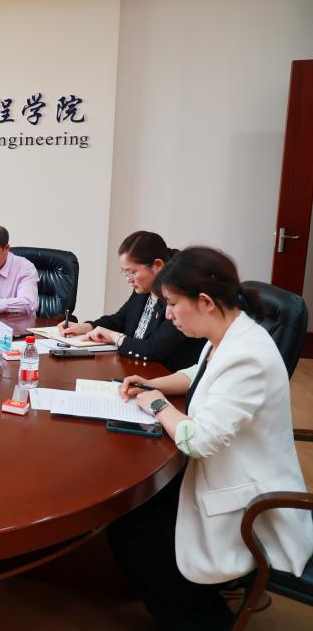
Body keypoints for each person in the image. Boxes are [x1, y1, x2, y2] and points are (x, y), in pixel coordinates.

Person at [109, 246, 313, 630]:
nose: (168, 315)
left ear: (204, 301)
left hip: (247, 499)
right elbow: (198, 373)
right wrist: (153, 384)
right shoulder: (228, 332)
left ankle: (205, 620)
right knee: (135, 516)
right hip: (217, 471)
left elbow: (198, 441)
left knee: (137, 535)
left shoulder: (247, 356)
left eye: (172, 305)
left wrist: (157, 405)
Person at [59, 231, 203, 371]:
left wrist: (114, 337)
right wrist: (86, 327)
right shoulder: (144, 289)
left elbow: (153, 349)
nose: (128, 279)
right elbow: (119, 320)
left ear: (157, 266)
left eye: (133, 272)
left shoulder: (178, 297)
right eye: (125, 272)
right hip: (134, 368)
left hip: (163, 376)